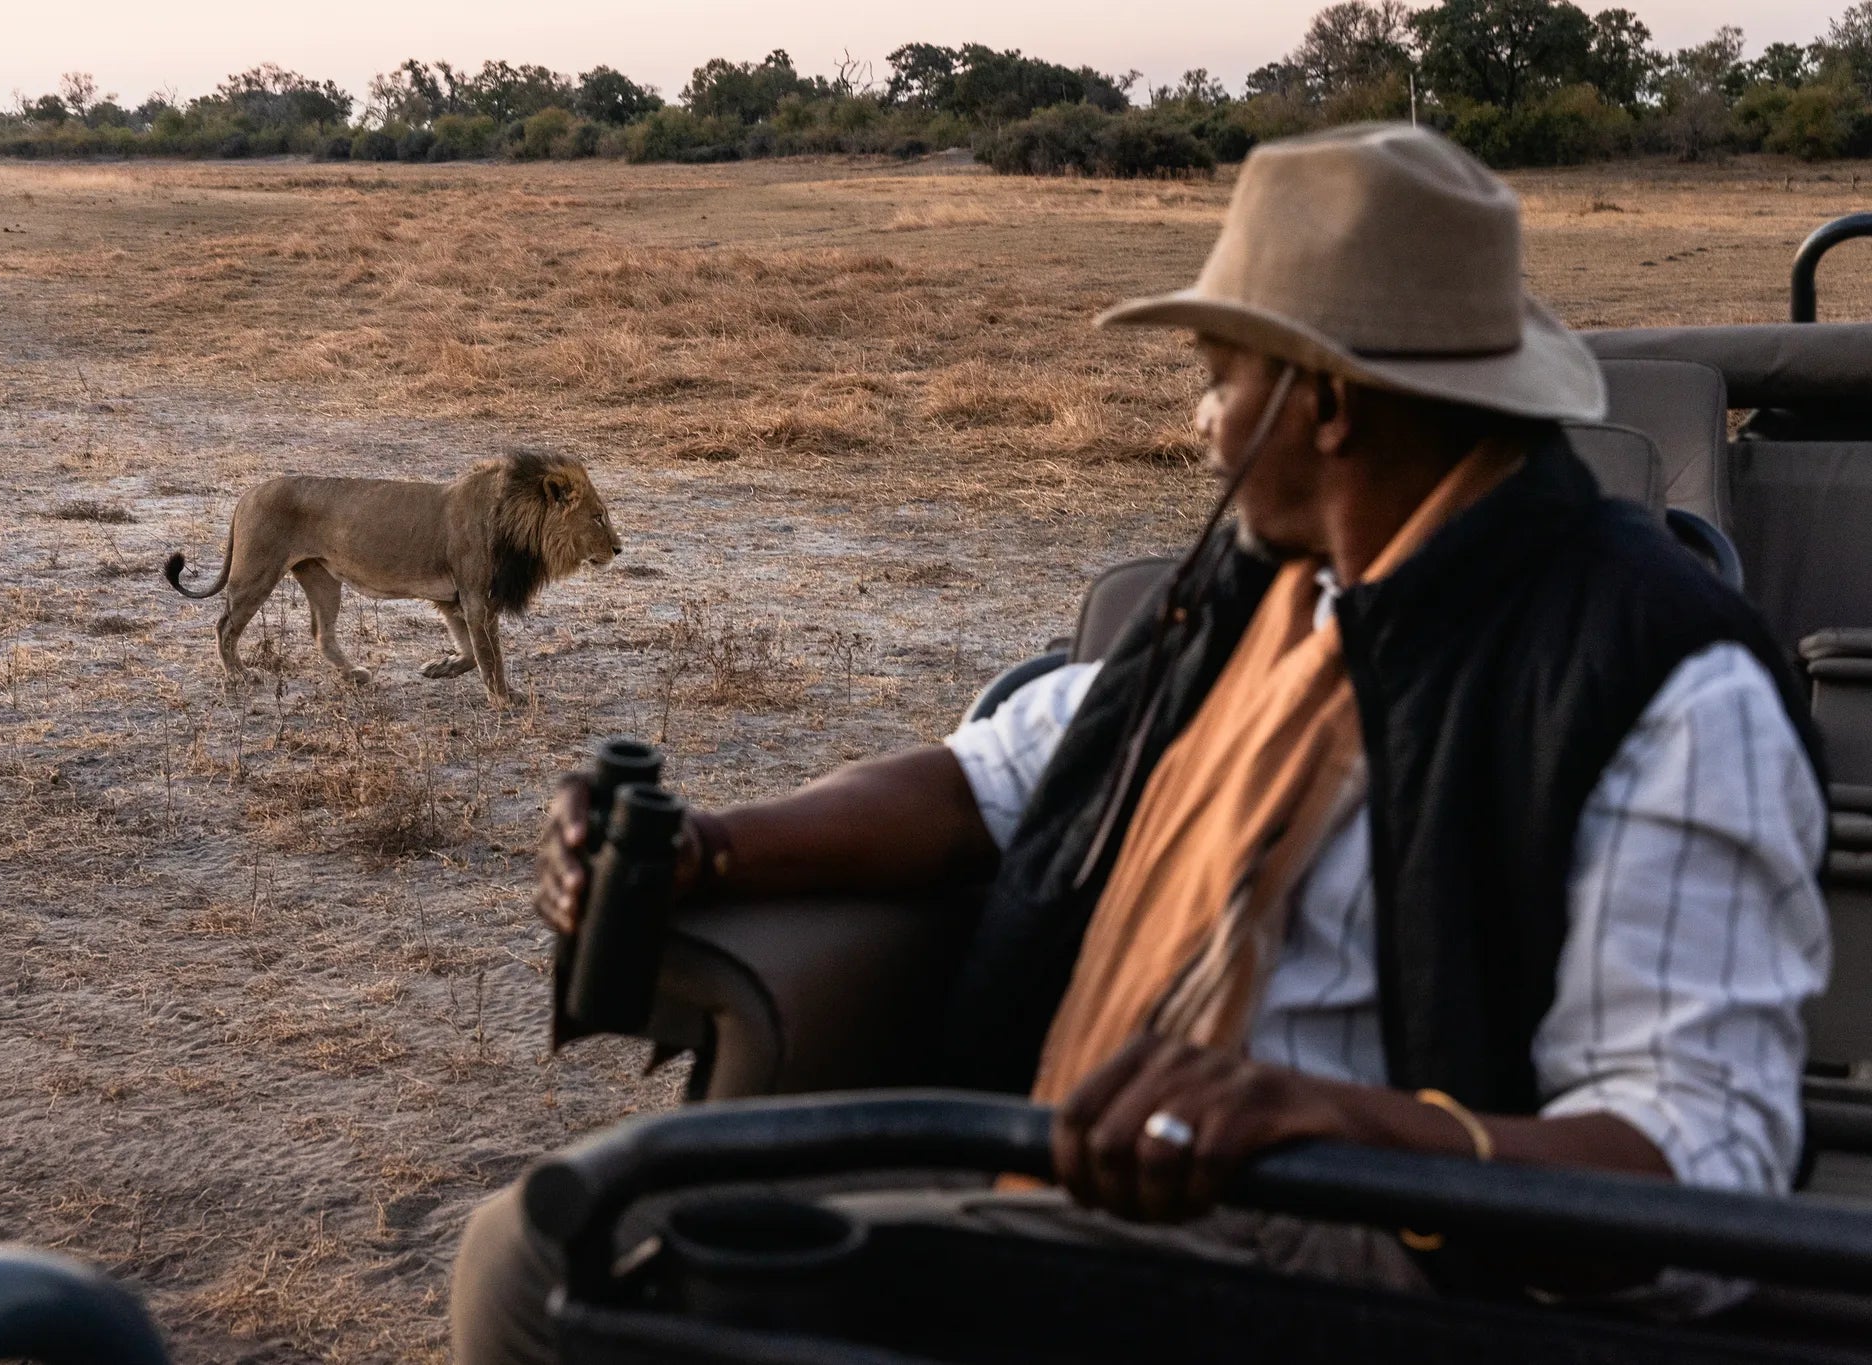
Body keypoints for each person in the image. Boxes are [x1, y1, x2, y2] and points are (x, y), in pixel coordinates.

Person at [450, 123, 1829, 1363]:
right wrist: (719, 843)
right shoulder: (1269, 589)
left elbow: (1695, 1176)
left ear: (1328, 403)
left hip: (1396, 1272)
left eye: (1221, 378)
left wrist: (1335, 1122)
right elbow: (997, 775)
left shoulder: (1661, 675)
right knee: (596, 1232)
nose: (1202, 423)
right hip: (1105, 1177)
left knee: (544, 1266)